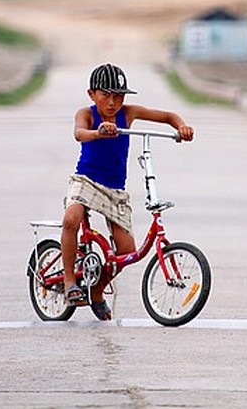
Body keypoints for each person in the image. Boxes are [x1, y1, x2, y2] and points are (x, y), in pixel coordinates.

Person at [62, 63, 194, 320]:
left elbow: (168, 116)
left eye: (119, 96)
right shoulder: (87, 114)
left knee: (125, 252)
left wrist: (182, 127)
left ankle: (98, 290)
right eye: (105, 95)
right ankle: (69, 282)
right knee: (71, 219)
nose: (112, 103)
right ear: (92, 94)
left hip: (115, 190)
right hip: (86, 180)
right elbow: (79, 133)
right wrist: (98, 132)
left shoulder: (128, 113)